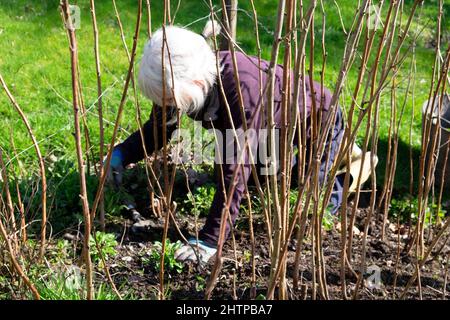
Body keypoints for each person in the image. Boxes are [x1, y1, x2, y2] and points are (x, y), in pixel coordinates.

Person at [106, 20, 374, 265]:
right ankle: (344, 151)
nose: (167, 107)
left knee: (313, 205)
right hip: (269, 128)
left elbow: (234, 172)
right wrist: (121, 154)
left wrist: (210, 240)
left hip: (314, 123)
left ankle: (358, 163)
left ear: (196, 83)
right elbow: (159, 129)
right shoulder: (187, 75)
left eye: (169, 101)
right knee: (267, 184)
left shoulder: (242, 94)